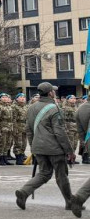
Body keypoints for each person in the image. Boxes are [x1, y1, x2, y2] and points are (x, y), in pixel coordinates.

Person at [15, 82, 76, 211]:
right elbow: (59, 132)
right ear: (50, 93)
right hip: (55, 149)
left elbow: (29, 129)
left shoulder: (31, 108)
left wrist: (34, 146)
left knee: (44, 173)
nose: (55, 92)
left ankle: (24, 192)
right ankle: (70, 202)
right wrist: (69, 151)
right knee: (61, 175)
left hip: (39, 147)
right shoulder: (54, 108)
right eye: (53, 91)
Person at [67, 96, 90, 217]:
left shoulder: (80, 108)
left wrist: (84, 144)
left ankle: (79, 198)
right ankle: (79, 198)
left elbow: (81, 132)